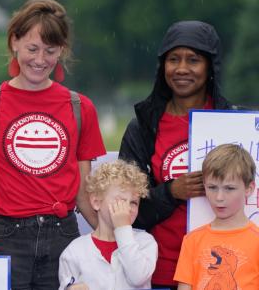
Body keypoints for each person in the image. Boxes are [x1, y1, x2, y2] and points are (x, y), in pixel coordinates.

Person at [0, 0, 105, 290]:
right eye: (32, 49)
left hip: (62, 236)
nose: (40, 60)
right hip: (4, 236)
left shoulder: (81, 107)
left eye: (50, 51)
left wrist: (111, 239)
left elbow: (83, 192)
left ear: (62, 50)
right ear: (14, 42)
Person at [118, 20, 236, 289]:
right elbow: (124, 207)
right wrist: (171, 192)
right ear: (163, 67)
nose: (181, 68)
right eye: (173, 59)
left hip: (219, 270)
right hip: (158, 270)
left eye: (193, 60)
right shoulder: (143, 127)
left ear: (210, 67)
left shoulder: (233, 123)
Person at [58, 160, 158, 289]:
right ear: (96, 202)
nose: (127, 208)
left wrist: (123, 229)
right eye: (120, 201)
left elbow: (138, 277)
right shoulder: (75, 250)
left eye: (133, 203)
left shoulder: (145, 242)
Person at [174, 144, 259, 289]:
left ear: (249, 189)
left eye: (229, 188)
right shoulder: (192, 240)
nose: (219, 197)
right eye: (212, 187)